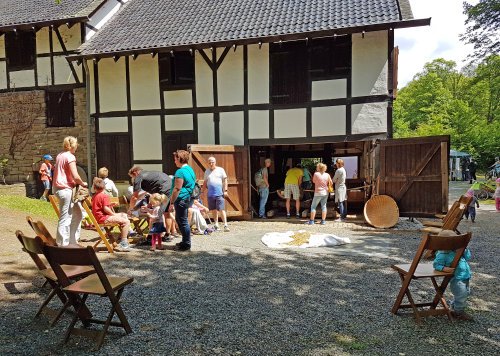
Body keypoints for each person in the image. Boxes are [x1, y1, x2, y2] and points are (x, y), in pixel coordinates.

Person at [52, 136, 87, 246]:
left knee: (78, 214)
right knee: (66, 217)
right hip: (64, 189)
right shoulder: (70, 157)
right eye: (76, 144)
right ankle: (63, 244)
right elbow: (75, 176)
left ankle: (72, 241)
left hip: (58, 188)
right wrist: (83, 183)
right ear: (72, 145)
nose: (77, 146)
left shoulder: (60, 155)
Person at [433, 230, 473, 321]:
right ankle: (459, 312)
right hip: (456, 278)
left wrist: (465, 251)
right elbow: (436, 265)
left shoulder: (457, 250)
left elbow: (467, 257)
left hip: (465, 275)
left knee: (465, 293)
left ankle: (454, 306)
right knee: (461, 294)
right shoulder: (443, 254)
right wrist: (443, 268)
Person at [128, 166, 173, 235]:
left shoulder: (139, 177)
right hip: (169, 188)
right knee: (166, 213)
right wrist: (149, 205)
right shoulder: (149, 176)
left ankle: (152, 237)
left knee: (157, 214)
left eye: (132, 177)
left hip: (163, 190)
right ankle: (167, 234)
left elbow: (134, 197)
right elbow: (146, 194)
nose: (133, 179)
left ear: (135, 173)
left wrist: (131, 209)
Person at [91, 178, 131, 250]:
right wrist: (113, 214)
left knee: (123, 215)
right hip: (104, 218)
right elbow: (105, 208)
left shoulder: (94, 196)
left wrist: (110, 204)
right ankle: (124, 242)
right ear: (105, 187)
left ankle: (127, 232)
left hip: (98, 217)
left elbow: (100, 205)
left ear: (94, 188)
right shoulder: (104, 196)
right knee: (126, 222)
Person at [169, 150, 196, 251]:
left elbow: (177, 188)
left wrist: (172, 202)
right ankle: (185, 241)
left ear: (180, 159)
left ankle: (186, 244)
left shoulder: (180, 171)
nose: (174, 161)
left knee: (182, 221)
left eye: (175, 159)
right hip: (188, 197)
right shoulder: (190, 169)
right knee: (183, 221)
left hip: (181, 198)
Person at [203, 156, 230, 231]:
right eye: (210, 162)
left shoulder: (221, 170)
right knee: (213, 209)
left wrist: (225, 191)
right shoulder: (207, 171)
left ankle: (225, 225)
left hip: (219, 193)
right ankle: (216, 224)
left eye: (213, 162)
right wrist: (202, 191)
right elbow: (205, 183)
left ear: (215, 162)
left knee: (221, 209)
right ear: (208, 163)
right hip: (210, 194)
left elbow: (225, 180)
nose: (211, 164)